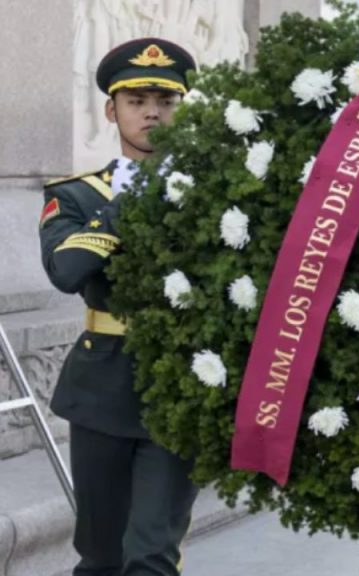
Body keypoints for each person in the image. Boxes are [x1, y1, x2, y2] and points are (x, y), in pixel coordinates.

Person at [38, 37, 199, 575]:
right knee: (101, 556)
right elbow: (65, 272)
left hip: (178, 388)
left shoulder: (210, 194)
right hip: (102, 387)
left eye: (166, 100)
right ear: (112, 110)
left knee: (151, 553)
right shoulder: (79, 197)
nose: (152, 112)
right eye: (136, 101)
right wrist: (127, 204)